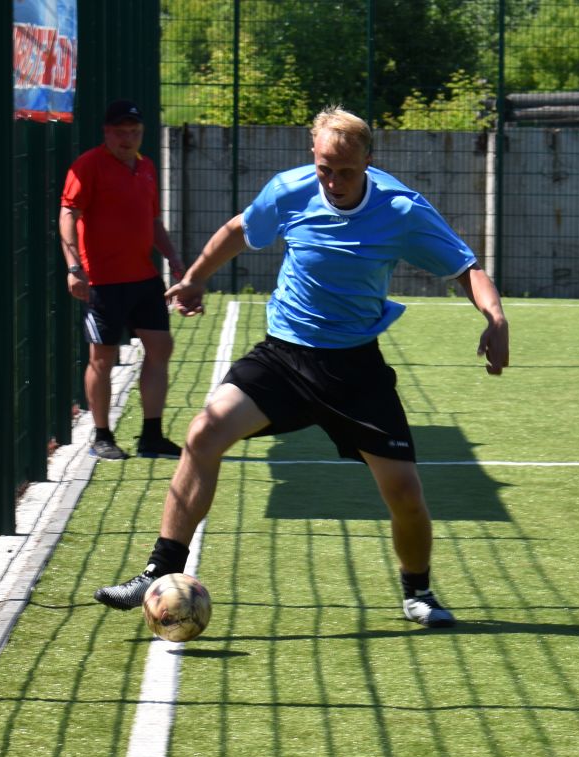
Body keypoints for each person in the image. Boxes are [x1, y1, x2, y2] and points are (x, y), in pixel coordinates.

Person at [93, 106, 509, 628]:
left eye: (347, 171)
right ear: (313, 156)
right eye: (324, 169)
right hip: (284, 356)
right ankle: (157, 570)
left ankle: (418, 592)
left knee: (404, 492)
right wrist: (196, 277)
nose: (333, 182)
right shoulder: (289, 189)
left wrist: (494, 315)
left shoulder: (401, 209)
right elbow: (240, 230)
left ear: (369, 161)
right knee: (204, 433)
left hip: (355, 368)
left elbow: (465, 267)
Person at [60, 98, 186, 461]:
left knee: (160, 347)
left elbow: (152, 222)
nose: (127, 139)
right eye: (120, 132)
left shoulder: (145, 167)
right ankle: (101, 435)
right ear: (106, 133)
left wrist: (174, 259)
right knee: (102, 356)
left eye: (134, 132)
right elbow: (68, 214)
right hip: (102, 281)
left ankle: (151, 435)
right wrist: (73, 268)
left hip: (143, 277)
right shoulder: (88, 166)